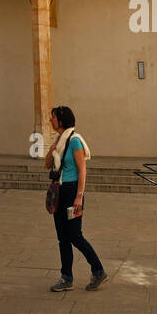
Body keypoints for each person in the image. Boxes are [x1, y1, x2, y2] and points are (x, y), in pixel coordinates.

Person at [45, 104, 107, 292]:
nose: (50, 120)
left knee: (75, 235)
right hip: (60, 192)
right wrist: (52, 148)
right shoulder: (59, 141)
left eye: (53, 117)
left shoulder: (74, 141)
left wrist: (79, 197)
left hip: (72, 192)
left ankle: (98, 270)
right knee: (62, 237)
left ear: (62, 120)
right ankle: (66, 277)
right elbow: (47, 164)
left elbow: (82, 170)